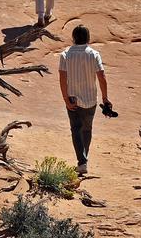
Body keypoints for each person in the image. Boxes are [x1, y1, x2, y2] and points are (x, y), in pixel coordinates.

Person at [58, 24, 109, 176]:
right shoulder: (94, 54)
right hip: (90, 99)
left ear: (73, 37)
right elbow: (102, 77)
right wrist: (105, 99)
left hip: (72, 98)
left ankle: (82, 162)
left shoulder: (65, 54)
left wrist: (65, 98)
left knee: (75, 129)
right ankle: (83, 160)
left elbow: (62, 77)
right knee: (87, 129)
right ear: (88, 37)